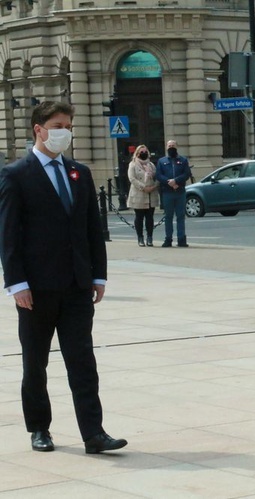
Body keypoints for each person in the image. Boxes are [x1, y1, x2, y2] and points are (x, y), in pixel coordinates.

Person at [0, 101, 128, 454]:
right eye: (58, 125)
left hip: (76, 287)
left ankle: (94, 433)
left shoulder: (79, 173)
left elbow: (91, 229)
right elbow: (8, 235)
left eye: (68, 125)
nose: (65, 132)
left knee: (83, 362)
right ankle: (39, 429)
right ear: (38, 129)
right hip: (36, 289)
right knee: (35, 364)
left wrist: (98, 276)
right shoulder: (16, 174)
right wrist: (17, 283)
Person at [156, 139, 191, 247]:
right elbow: (159, 175)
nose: (171, 147)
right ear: (166, 147)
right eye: (169, 145)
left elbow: (186, 174)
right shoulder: (161, 161)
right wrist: (169, 182)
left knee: (180, 216)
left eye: (173, 145)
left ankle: (181, 239)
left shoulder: (183, 160)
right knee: (168, 216)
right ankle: (168, 239)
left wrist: (176, 181)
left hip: (180, 191)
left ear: (176, 147)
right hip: (167, 192)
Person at [127, 144, 159, 247]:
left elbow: (157, 176)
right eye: (141, 152)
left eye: (145, 152)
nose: (144, 153)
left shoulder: (151, 165)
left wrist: (154, 186)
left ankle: (149, 237)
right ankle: (140, 238)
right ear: (137, 153)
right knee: (139, 217)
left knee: (150, 218)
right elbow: (132, 179)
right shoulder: (132, 164)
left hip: (151, 194)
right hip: (138, 194)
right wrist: (143, 187)